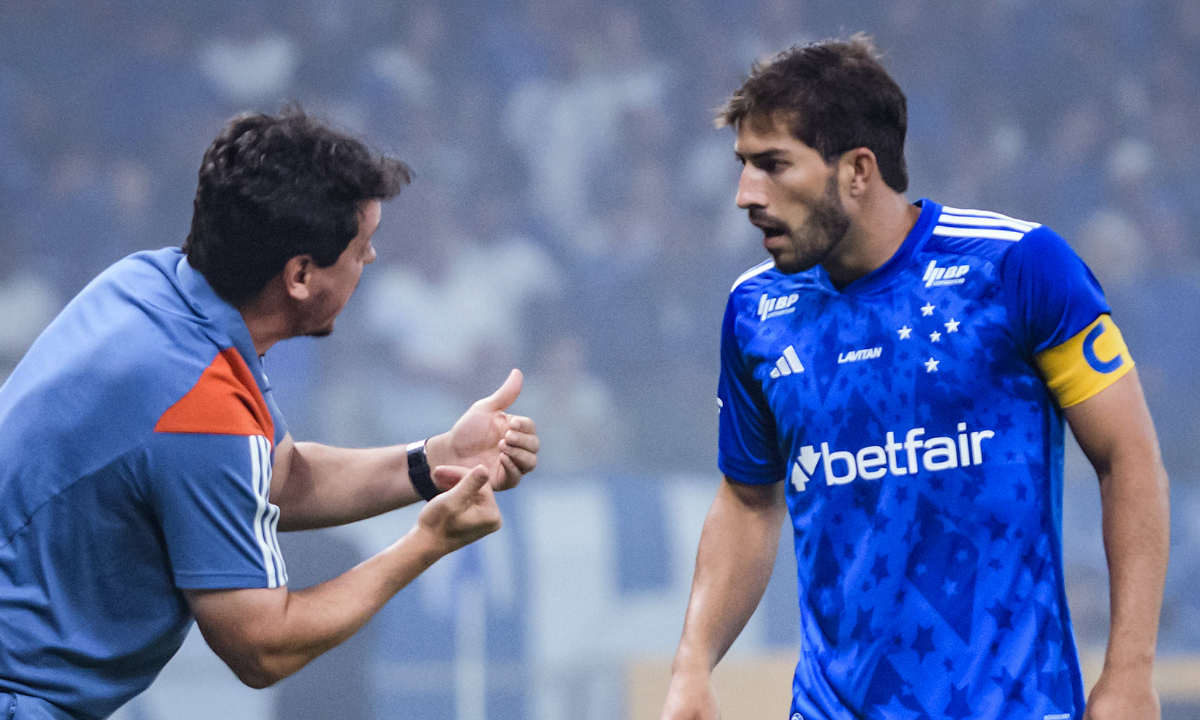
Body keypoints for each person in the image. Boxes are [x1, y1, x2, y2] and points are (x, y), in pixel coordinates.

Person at [661, 35, 1169, 720]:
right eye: (744, 166)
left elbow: (1127, 457)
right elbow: (749, 503)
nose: (746, 194)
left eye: (774, 165)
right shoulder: (756, 310)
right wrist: (692, 663)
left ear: (858, 170)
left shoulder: (1017, 267)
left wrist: (1131, 671)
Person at [0, 108, 540, 720]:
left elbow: (276, 474)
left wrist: (436, 459)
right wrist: (428, 543)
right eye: (360, 248)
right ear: (302, 275)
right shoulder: (198, 404)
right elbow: (262, 647)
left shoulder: (147, 287)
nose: (372, 260)